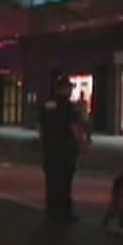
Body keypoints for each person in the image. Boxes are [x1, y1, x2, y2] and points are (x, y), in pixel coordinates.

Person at [39, 75, 89, 223]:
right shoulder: (68, 106)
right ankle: (63, 212)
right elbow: (74, 127)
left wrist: (44, 142)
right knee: (64, 182)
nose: (71, 91)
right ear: (66, 89)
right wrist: (82, 144)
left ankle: (51, 210)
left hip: (50, 149)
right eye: (70, 88)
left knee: (51, 181)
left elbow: (41, 126)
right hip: (65, 149)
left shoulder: (48, 104)